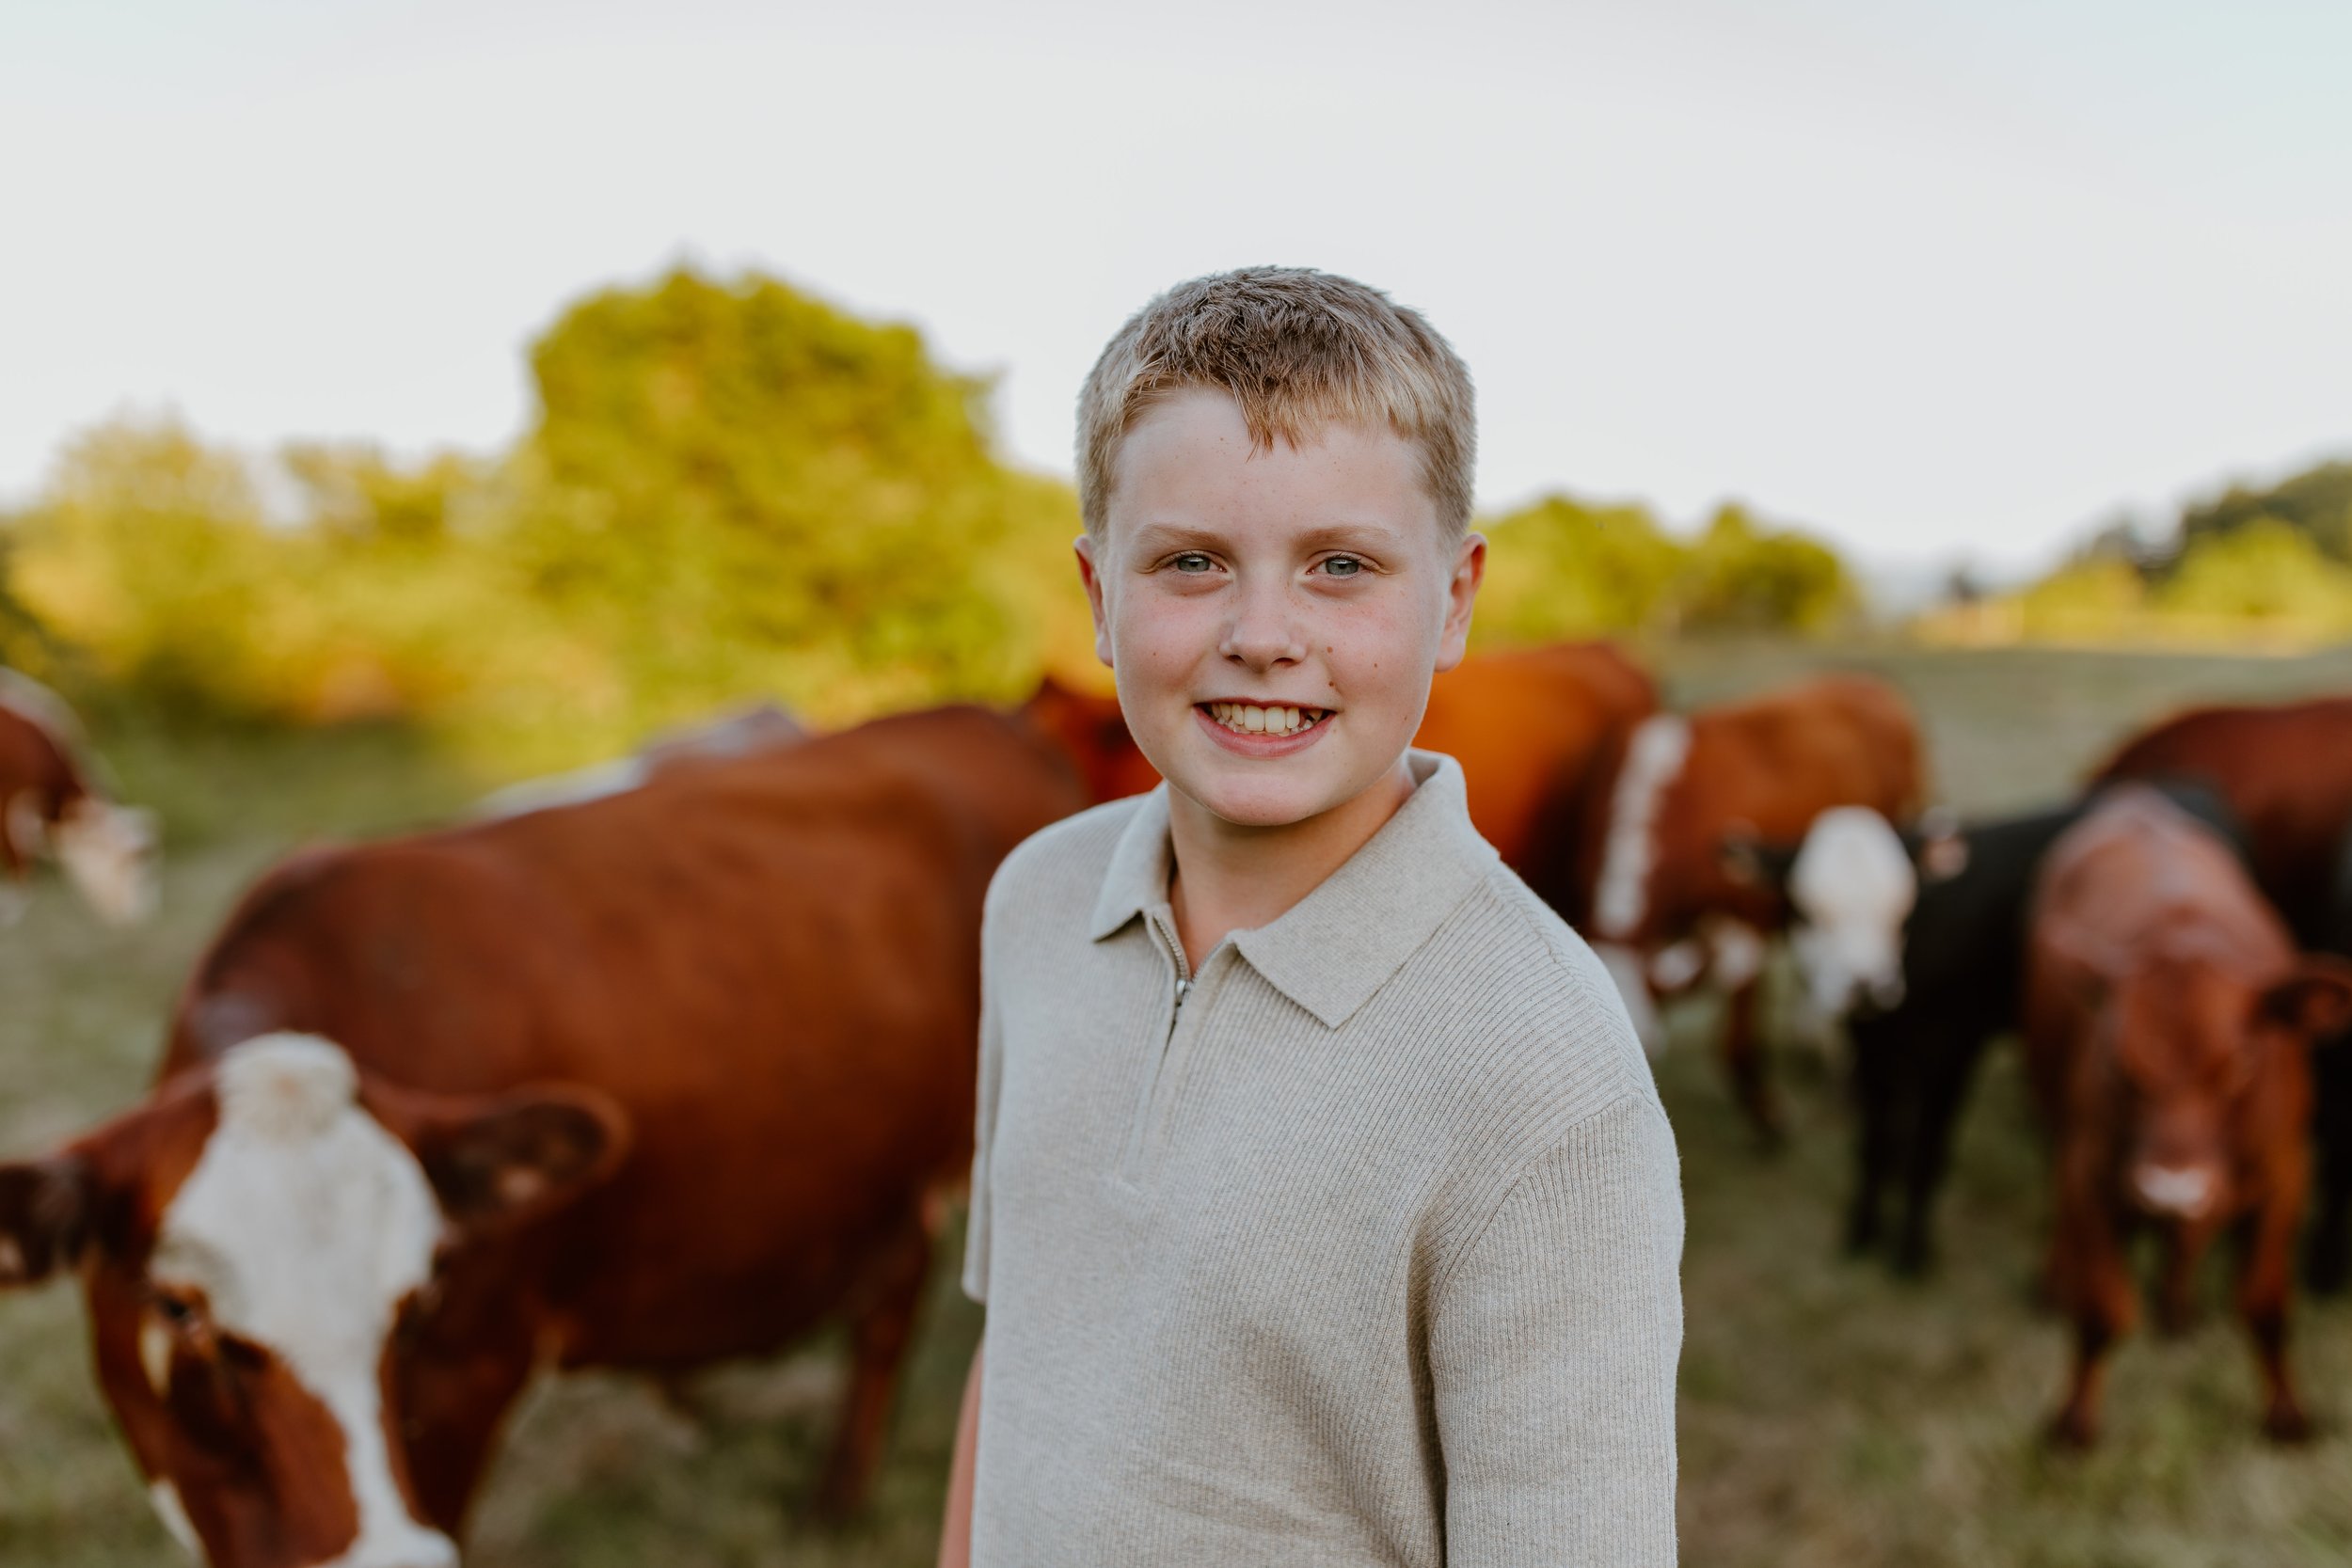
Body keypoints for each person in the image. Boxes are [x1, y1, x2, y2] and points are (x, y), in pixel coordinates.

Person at [939, 266, 1683, 1566]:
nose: (1263, 634)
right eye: (1191, 563)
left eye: (1342, 566)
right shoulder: (1036, 902)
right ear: (1098, 595)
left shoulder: (1547, 1076)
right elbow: (1021, 1348)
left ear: (1454, 600)